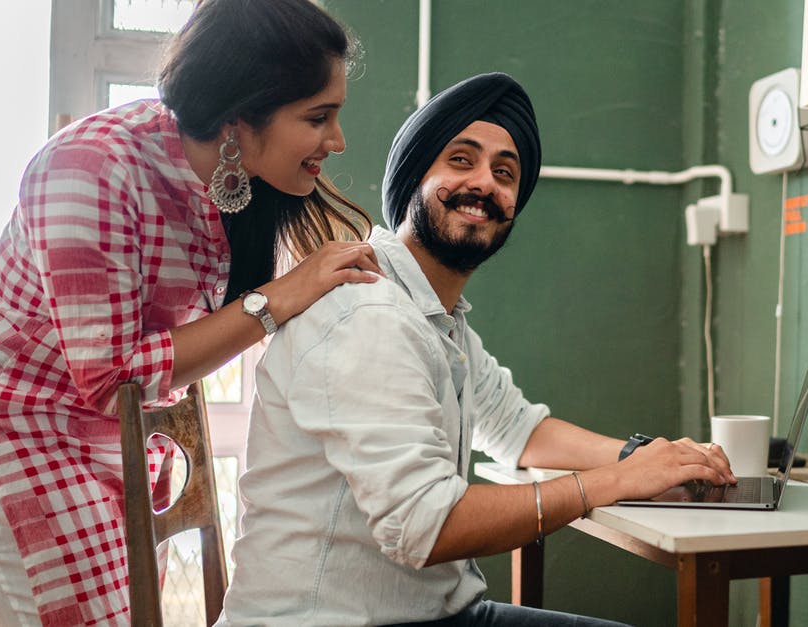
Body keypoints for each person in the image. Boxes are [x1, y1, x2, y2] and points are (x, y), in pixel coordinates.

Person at [217, 72, 736, 626]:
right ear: (414, 175)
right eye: (461, 160)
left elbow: (517, 428)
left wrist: (646, 458)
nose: (486, 183)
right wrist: (615, 482)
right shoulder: (368, 309)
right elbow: (425, 526)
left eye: (505, 172)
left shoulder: (438, 317)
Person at [0, 0, 383, 624]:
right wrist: (277, 299)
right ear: (238, 115)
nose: (337, 141)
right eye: (319, 117)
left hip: (121, 446)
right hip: (19, 440)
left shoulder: (240, 183)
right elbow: (110, 377)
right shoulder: (88, 170)